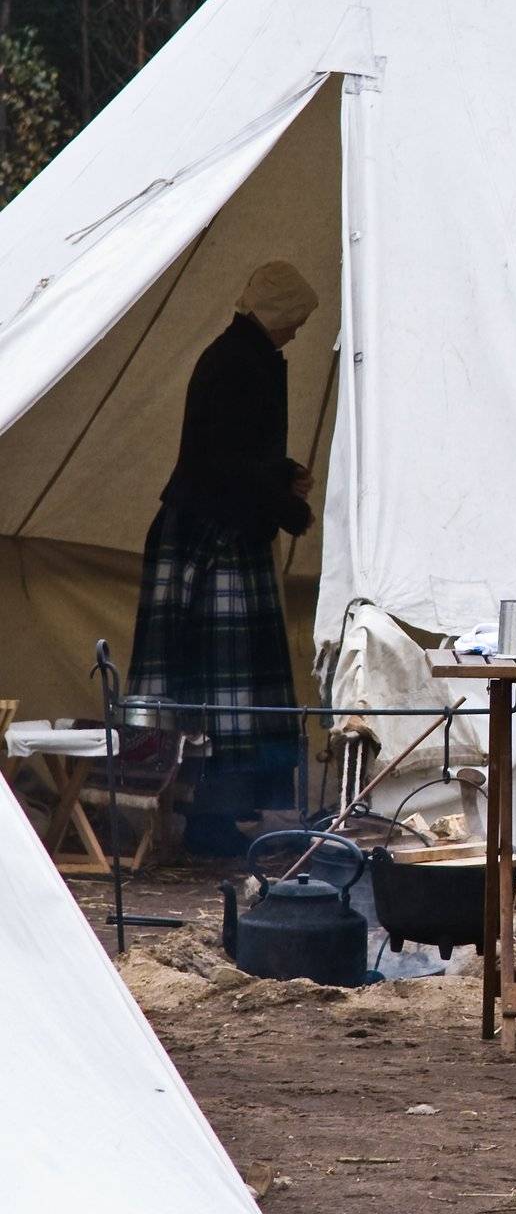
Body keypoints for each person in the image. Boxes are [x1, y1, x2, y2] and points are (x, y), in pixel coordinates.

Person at [128, 261, 320, 857]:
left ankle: (218, 810)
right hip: (215, 537)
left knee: (222, 688)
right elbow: (225, 461)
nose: (296, 332)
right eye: (295, 320)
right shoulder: (239, 363)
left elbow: (235, 452)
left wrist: (280, 477)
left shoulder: (241, 358)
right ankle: (209, 816)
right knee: (222, 689)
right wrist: (285, 502)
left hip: (216, 527)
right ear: (276, 311)